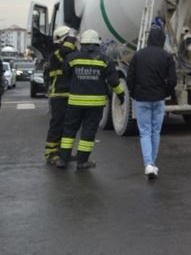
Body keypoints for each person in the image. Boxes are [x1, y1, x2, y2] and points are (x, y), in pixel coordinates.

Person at [57, 29, 124, 170]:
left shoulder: (72, 58)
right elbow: (114, 82)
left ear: (83, 43)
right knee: (88, 132)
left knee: (69, 131)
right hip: (95, 104)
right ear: (97, 44)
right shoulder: (105, 60)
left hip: (75, 102)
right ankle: (82, 162)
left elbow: (66, 74)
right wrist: (121, 95)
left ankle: (63, 160)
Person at [127, 26, 177, 179]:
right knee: (156, 132)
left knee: (145, 132)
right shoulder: (167, 57)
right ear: (162, 39)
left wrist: (134, 93)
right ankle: (152, 163)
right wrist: (165, 93)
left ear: (149, 39)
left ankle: (148, 163)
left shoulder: (138, 55)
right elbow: (173, 81)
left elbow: (130, 78)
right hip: (158, 99)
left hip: (142, 98)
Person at [43, 26, 77, 165]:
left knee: (67, 126)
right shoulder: (56, 54)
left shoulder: (68, 53)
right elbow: (66, 49)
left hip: (69, 95)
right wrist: (71, 37)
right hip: (59, 96)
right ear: (64, 39)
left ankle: (64, 153)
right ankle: (51, 154)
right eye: (69, 39)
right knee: (57, 125)